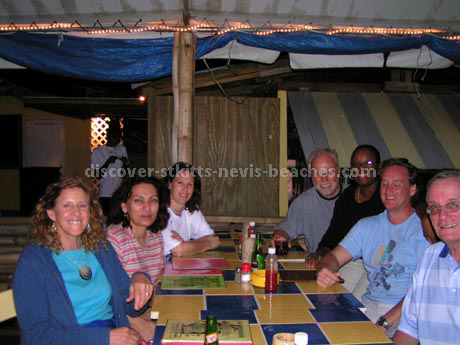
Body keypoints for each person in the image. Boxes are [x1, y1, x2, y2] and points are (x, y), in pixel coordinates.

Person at [13, 177, 153, 345]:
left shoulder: (101, 248)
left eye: (82, 205)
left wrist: (140, 279)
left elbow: (128, 305)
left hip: (115, 334)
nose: (76, 212)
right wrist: (105, 338)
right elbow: (35, 336)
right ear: (51, 213)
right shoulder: (34, 260)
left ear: (90, 212)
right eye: (67, 205)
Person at [316, 158, 429, 336]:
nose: (389, 190)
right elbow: (333, 257)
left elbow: (423, 292)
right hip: (368, 307)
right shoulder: (367, 226)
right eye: (384, 184)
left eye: (396, 184)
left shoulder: (423, 232)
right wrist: (325, 270)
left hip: (404, 315)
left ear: (412, 189)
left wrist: (384, 322)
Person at [306, 145, 385, 299]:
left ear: (379, 167)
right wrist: (319, 254)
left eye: (367, 164)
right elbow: (332, 236)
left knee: (350, 303)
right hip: (350, 260)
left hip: (378, 263)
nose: (361, 168)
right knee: (324, 294)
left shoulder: (386, 197)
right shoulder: (347, 197)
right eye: (355, 165)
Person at [394, 170, 460, 345]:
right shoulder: (430, 257)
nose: (443, 216)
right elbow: (408, 331)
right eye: (435, 208)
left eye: (453, 205)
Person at [106, 176, 169, 343]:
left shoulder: (155, 236)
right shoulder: (114, 238)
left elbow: (156, 284)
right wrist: (137, 322)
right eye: (139, 201)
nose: (147, 208)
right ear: (124, 206)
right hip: (118, 322)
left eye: (153, 201)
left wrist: (151, 312)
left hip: (146, 313)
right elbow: (106, 297)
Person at [271, 148, 341, 253]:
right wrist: (280, 236)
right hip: (315, 263)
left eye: (329, 171)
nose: (324, 178)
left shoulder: (355, 197)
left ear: (338, 171)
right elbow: (285, 228)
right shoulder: (305, 201)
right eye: (317, 173)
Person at [161, 162, 220, 257]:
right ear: (169, 184)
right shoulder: (159, 212)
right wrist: (206, 243)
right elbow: (179, 251)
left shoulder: (191, 209)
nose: (185, 189)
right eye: (180, 183)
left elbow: (213, 238)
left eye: (190, 184)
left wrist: (186, 245)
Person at [91, 125, 129, 215]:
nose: (116, 140)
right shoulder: (98, 151)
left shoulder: (121, 149)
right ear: (107, 136)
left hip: (119, 192)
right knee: (106, 217)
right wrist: (108, 162)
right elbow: (98, 175)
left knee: (118, 218)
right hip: (105, 193)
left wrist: (124, 163)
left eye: (118, 137)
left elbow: (125, 172)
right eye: (113, 137)